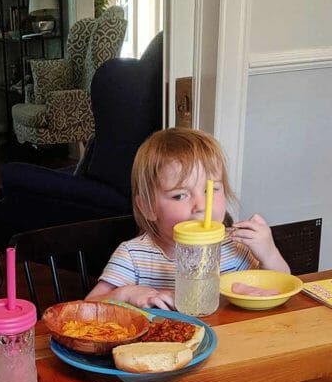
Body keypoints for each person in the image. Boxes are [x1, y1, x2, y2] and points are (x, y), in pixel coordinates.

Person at [87, 128, 289, 310]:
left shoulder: (234, 248)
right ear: (148, 207)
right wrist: (125, 294)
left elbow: (278, 289)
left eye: (211, 190)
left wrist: (269, 254)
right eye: (179, 195)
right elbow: (87, 308)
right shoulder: (133, 256)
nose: (201, 206)